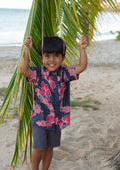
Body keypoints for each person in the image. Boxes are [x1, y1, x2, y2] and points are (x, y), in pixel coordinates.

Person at [20, 35, 88, 170]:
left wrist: (82, 49)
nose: (51, 60)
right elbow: (24, 70)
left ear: (63, 58)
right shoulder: (38, 72)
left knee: (49, 148)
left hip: (56, 119)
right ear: (41, 58)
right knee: (39, 148)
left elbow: (82, 66)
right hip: (39, 119)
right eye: (47, 56)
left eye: (56, 56)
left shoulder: (65, 72)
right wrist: (26, 50)